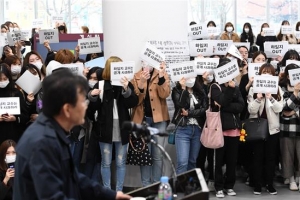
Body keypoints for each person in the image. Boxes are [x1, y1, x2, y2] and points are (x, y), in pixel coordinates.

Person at [13, 68, 131, 199]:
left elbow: (73, 177)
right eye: (82, 101)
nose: (86, 106)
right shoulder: (41, 142)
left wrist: (111, 195)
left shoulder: (54, 133)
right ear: (67, 109)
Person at [93, 56, 138, 191]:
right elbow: (92, 109)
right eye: (116, 67)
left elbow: (133, 103)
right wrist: (92, 96)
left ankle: (119, 191)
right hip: (105, 127)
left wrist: (126, 89)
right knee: (106, 162)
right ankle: (107, 190)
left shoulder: (126, 83)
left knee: (120, 162)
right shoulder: (101, 84)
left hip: (122, 127)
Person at [131, 60, 170, 186]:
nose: (146, 63)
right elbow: (135, 101)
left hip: (159, 120)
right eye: (143, 60)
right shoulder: (136, 76)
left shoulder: (161, 74)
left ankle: (156, 185)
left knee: (157, 155)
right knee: (144, 154)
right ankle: (146, 186)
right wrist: (142, 83)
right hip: (142, 121)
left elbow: (165, 94)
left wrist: (162, 78)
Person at [210, 59, 244, 198]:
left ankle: (229, 185)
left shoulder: (235, 86)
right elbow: (222, 101)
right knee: (218, 161)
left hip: (235, 130)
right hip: (220, 129)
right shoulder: (215, 86)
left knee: (232, 160)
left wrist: (226, 107)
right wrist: (229, 91)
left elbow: (241, 106)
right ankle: (218, 187)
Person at [247, 63, 283, 195]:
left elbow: (279, 109)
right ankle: (257, 184)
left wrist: (271, 98)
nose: (266, 75)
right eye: (263, 72)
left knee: (270, 158)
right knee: (257, 157)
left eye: (269, 73)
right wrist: (258, 98)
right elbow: (251, 110)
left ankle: (269, 183)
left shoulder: (278, 89)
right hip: (257, 130)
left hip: (272, 129)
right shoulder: (253, 89)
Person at [171, 76, 207, 174]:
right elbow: (180, 106)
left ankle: (190, 187)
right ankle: (180, 188)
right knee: (182, 162)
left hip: (197, 129)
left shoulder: (200, 91)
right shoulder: (176, 90)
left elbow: (204, 109)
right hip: (183, 129)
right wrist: (183, 89)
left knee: (192, 161)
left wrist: (189, 113)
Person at [279, 64, 300, 191]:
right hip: (287, 127)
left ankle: (299, 177)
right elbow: (284, 107)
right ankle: (291, 179)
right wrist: (296, 92)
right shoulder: (282, 88)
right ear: (287, 75)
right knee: (287, 155)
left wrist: (295, 112)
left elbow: (290, 109)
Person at [0, 64, 29, 144]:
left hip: (14, 135)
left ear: (9, 78)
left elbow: (25, 116)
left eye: (5, 79)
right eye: (0, 79)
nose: (2, 81)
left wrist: (15, 118)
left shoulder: (16, 93)